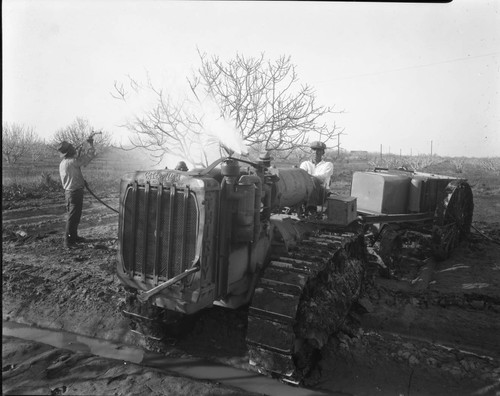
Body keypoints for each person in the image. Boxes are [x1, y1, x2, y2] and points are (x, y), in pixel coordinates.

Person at [58, 138, 96, 248]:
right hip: (74, 193)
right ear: (70, 151)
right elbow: (89, 157)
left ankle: (73, 237)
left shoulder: (63, 163)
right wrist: (90, 144)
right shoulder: (73, 161)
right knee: (72, 217)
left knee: (74, 216)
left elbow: (73, 175)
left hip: (69, 193)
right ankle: (68, 241)